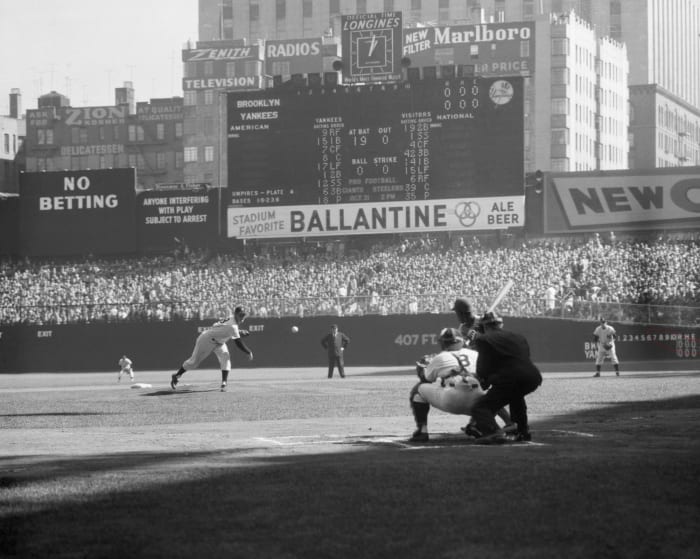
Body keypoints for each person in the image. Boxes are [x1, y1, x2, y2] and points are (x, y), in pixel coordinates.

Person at [409, 327, 514, 442]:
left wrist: (422, 369)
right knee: (490, 396)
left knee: (418, 390)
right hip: (477, 402)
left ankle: (422, 431)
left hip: (451, 399)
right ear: (461, 341)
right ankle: (492, 424)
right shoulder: (476, 354)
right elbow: (488, 378)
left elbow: (427, 380)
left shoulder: (440, 357)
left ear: (442, 343)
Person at [466, 311, 543, 444]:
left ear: (484, 326)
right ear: (501, 324)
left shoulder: (483, 340)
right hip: (532, 377)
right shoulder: (519, 336)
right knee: (516, 397)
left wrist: (483, 380)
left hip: (509, 378)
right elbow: (523, 358)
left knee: (480, 407)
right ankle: (522, 432)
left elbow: (483, 368)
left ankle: (493, 433)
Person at [170, 306, 253, 392]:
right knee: (193, 362)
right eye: (241, 315)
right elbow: (238, 342)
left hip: (219, 343)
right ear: (235, 314)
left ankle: (224, 383)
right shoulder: (233, 326)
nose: (242, 317)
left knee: (225, 357)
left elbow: (225, 329)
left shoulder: (232, 320)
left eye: (244, 315)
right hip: (207, 340)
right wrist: (248, 351)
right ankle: (177, 376)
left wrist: (239, 332)